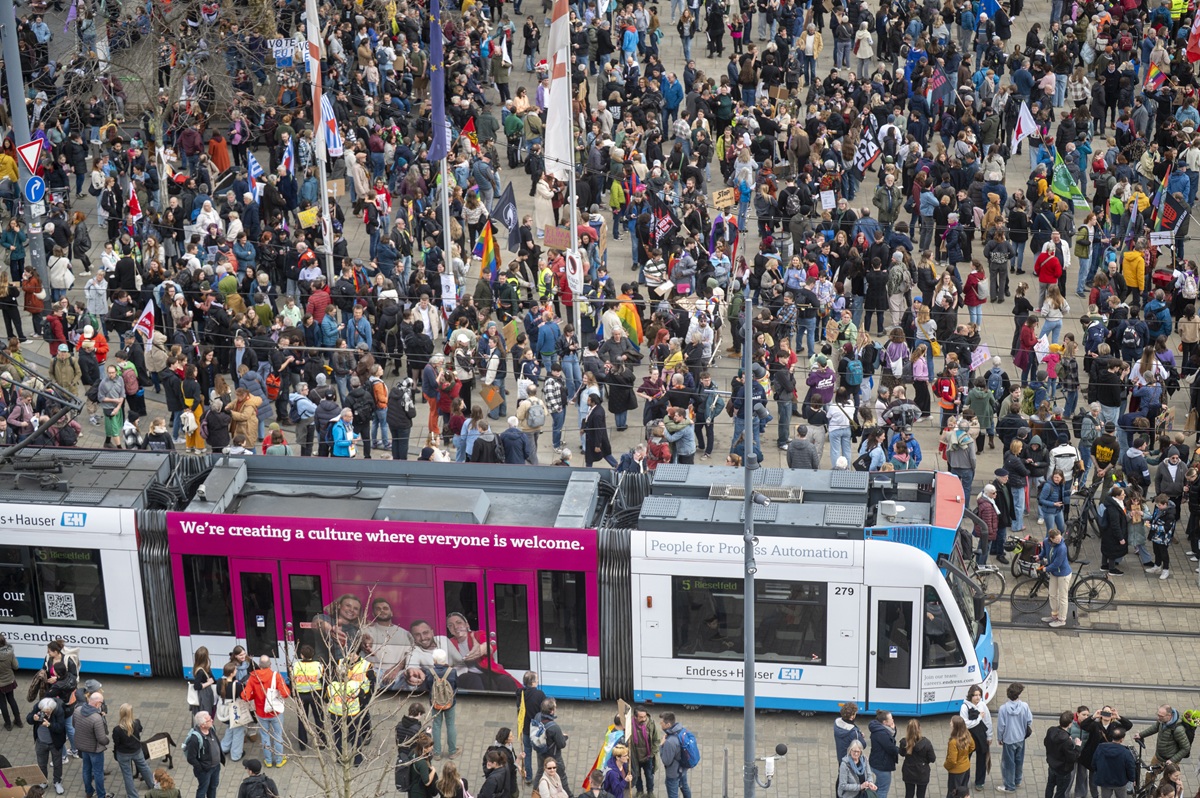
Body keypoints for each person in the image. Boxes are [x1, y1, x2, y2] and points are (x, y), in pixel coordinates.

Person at [240, 655, 290, 768]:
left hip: (261, 712)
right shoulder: (275, 676)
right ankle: (279, 760)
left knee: (265, 736)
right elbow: (285, 694)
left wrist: (255, 697)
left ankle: (268, 761)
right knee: (277, 735)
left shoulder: (253, 677)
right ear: (270, 664)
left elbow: (245, 696)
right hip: (275, 712)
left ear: (259, 665)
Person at [996, 683, 1034, 792]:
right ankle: (1017, 780)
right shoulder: (1025, 706)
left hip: (1008, 739)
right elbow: (1029, 720)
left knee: (1008, 763)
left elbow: (1001, 726)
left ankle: (1009, 786)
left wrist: (1000, 738)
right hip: (1020, 738)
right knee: (1019, 760)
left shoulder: (1003, 709)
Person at [112, 704, 157, 798]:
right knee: (144, 766)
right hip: (136, 750)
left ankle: (132, 795)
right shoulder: (136, 723)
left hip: (123, 753)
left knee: (127, 774)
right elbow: (140, 729)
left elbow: (116, 742)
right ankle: (152, 785)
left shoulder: (117, 729)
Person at [1134, 705, 1192, 775]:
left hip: (1170, 761)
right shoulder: (1162, 720)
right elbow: (1155, 728)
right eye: (1158, 715)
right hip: (1158, 756)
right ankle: (1149, 786)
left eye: (1161, 716)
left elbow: (1186, 748)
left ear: (1169, 715)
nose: (1158, 718)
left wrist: (1172, 760)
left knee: (1168, 780)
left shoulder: (1178, 730)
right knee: (1150, 775)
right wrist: (1141, 734)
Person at [27, 697, 66, 795]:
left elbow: (61, 728)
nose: (46, 714)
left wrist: (50, 725)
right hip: (41, 741)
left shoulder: (59, 711)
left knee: (57, 764)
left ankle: (57, 782)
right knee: (41, 763)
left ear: (52, 709)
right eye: (44, 712)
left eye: (48, 712)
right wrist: (33, 718)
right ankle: (43, 781)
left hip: (55, 743)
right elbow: (28, 718)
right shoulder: (39, 707)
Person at [75, 690, 110, 798]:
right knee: (98, 772)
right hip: (95, 749)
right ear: (97, 704)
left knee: (86, 769)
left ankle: (89, 791)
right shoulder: (96, 718)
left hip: (82, 746)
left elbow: (73, 724)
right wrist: (107, 741)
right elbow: (101, 739)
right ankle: (101, 795)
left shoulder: (77, 710)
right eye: (102, 703)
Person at [959, 685, 993, 791]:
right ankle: (964, 781)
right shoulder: (964, 707)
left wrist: (989, 736)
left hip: (981, 737)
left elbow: (988, 721)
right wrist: (979, 718)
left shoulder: (982, 705)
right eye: (975, 695)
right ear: (970, 696)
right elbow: (966, 724)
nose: (978, 698)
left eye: (979, 695)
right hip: (969, 737)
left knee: (982, 759)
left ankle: (980, 782)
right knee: (966, 759)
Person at [184, 712, 225, 798]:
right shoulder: (195, 739)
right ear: (202, 725)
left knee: (213, 787)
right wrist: (201, 768)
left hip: (216, 767)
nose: (212, 720)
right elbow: (191, 758)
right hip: (205, 770)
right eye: (209, 720)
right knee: (203, 790)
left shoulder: (211, 729)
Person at [517, 672, 547, 784]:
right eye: (537, 680)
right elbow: (544, 710)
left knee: (527, 753)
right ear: (533, 682)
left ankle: (528, 777)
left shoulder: (520, 693)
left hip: (525, 729)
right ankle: (541, 777)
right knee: (540, 753)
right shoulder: (540, 694)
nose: (538, 682)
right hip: (537, 730)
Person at [1091, 725, 1135, 798]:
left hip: (1105, 780)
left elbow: (1094, 763)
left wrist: (1098, 772)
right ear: (1122, 739)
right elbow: (1130, 767)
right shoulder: (1126, 752)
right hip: (1120, 781)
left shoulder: (1100, 747)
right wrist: (1132, 779)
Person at [1045, 710, 1081, 798]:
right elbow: (1072, 757)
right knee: (1060, 792)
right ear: (1070, 724)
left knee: (1050, 786)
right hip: (1063, 770)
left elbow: (1046, 742)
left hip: (1052, 765)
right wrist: (1077, 746)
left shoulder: (1051, 730)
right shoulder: (1066, 741)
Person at [533, 698, 568, 788]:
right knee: (562, 776)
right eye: (555, 708)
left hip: (540, 752)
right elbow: (562, 744)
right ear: (552, 711)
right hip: (554, 756)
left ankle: (535, 792)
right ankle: (568, 795)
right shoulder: (554, 727)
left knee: (540, 771)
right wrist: (564, 737)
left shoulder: (537, 716)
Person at [1040, 527, 1071, 627]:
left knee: (1063, 597)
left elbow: (1057, 563)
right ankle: (1055, 615)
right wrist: (1039, 557)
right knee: (1052, 594)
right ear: (1051, 539)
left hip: (1063, 574)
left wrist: (1046, 569)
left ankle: (1062, 619)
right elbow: (1044, 552)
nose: (1060, 540)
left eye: (1060, 538)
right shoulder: (1046, 542)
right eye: (1057, 539)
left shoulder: (1062, 548)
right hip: (1054, 573)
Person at [897, 718, 936, 798]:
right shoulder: (926, 743)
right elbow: (932, 758)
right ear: (919, 728)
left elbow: (901, 753)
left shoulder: (904, 742)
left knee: (909, 794)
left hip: (908, 771)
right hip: (922, 772)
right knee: (921, 795)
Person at [628, 705, 660, 796]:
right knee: (637, 775)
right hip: (635, 756)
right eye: (641, 717)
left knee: (649, 776)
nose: (644, 719)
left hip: (648, 756)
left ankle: (650, 791)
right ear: (635, 717)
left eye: (645, 716)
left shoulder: (651, 724)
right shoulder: (629, 725)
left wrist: (652, 754)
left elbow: (656, 740)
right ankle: (640, 791)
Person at [659, 711, 693, 798]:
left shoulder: (670, 742)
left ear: (668, 724)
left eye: (661, 723)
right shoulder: (681, 730)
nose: (660, 724)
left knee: (673, 794)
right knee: (685, 787)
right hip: (683, 768)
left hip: (673, 772)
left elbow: (666, 761)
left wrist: (661, 746)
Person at [868, 710, 899, 798]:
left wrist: (893, 730)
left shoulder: (880, 729)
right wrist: (901, 750)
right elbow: (891, 748)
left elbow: (890, 738)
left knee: (877, 786)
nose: (893, 720)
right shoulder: (882, 734)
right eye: (891, 719)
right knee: (883, 790)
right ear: (885, 722)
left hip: (876, 762)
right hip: (882, 766)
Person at [943, 715, 975, 798]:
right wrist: (964, 755)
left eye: (951, 723)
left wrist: (946, 766)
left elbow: (952, 760)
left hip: (956, 771)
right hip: (966, 767)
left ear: (955, 727)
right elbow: (972, 747)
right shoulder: (967, 735)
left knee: (953, 792)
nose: (950, 723)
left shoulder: (953, 742)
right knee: (963, 791)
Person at [0, 634, 20, 730]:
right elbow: (16, 666)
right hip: (9, 681)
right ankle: (18, 721)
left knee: (2, 703)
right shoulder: (10, 653)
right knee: (11, 700)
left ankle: (8, 724)